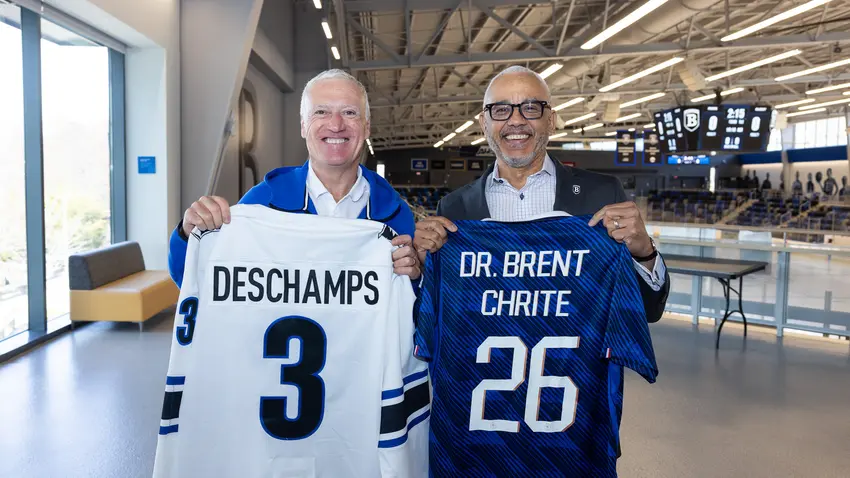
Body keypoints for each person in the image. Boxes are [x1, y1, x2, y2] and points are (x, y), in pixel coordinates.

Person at [413, 65, 669, 323]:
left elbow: (647, 311)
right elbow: (444, 315)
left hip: (577, 363)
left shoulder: (602, 194)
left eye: (531, 107)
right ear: (484, 123)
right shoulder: (455, 208)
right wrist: (426, 268)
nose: (515, 121)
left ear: (551, 120)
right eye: (500, 110)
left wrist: (644, 252)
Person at [167, 69, 420, 287]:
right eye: (321, 111)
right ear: (302, 126)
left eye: (350, 113)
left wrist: (416, 276)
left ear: (367, 127)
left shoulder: (396, 214)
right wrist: (189, 236)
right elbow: (197, 281)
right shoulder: (262, 202)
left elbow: (417, 310)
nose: (335, 124)